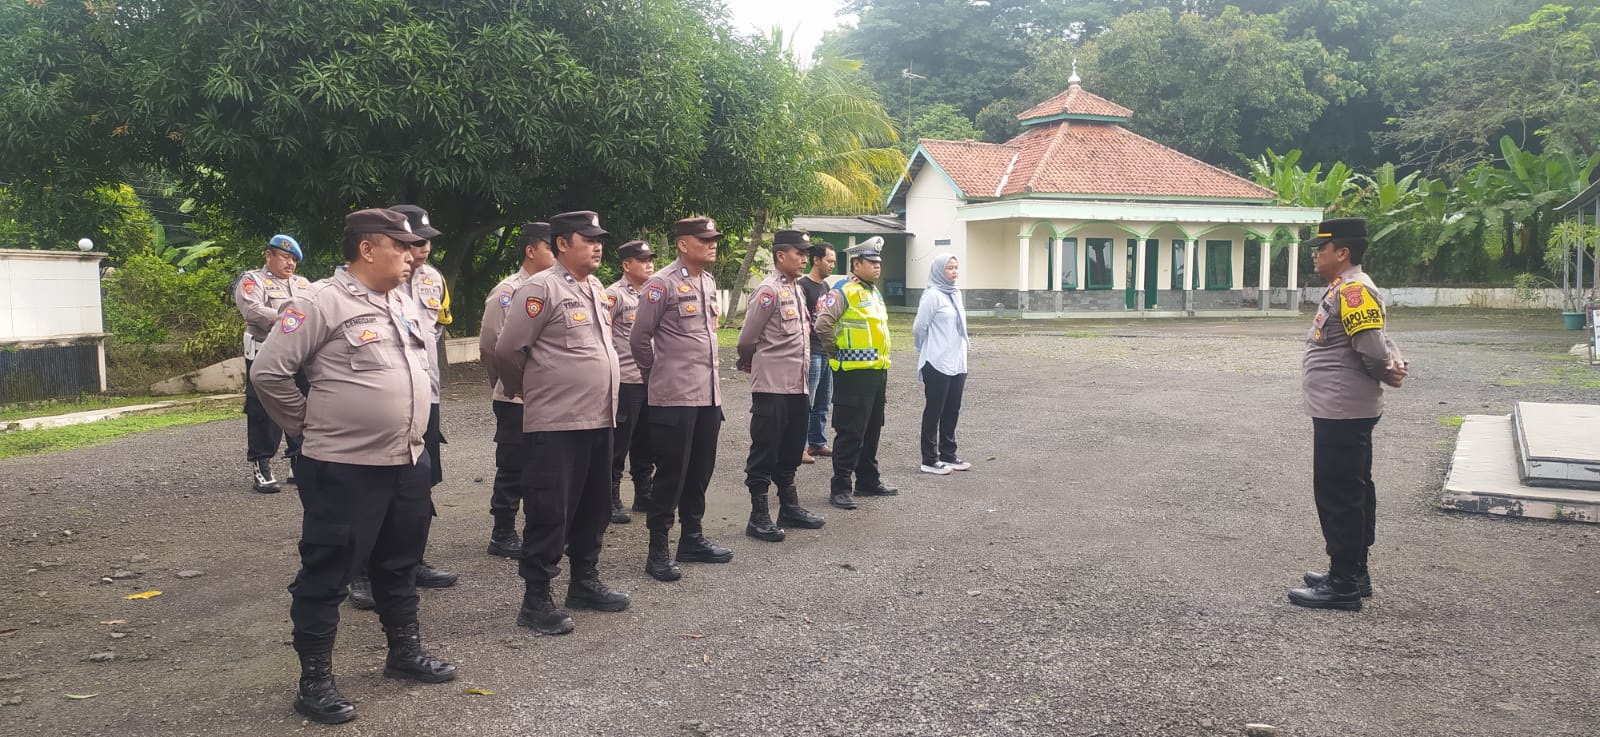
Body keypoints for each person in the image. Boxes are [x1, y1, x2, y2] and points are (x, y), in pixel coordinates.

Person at [250, 208, 455, 725]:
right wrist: (307, 427)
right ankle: (314, 680)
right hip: (344, 466)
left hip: (406, 459)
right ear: (367, 248)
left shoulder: (403, 301)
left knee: (399, 562)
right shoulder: (319, 302)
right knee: (328, 572)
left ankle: (402, 653)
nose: (412, 255)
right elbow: (271, 373)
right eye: (400, 246)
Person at [493, 210, 629, 635]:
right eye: (587, 238)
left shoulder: (595, 288)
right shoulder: (540, 288)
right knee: (549, 510)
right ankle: (536, 600)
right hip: (556, 422)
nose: (597, 244)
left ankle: (584, 582)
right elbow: (507, 351)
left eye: (599, 238)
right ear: (562, 244)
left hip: (598, 418)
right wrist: (527, 393)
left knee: (595, 506)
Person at [1288, 217, 1407, 612]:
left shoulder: (1353, 291)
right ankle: (1354, 572)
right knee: (1353, 487)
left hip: (1342, 409)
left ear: (1342, 253)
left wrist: (1387, 369)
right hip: (1341, 407)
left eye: (1320, 248)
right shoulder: (1346, 288)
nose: (1315, 254)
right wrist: (1390, 361)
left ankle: (1343, 583)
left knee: (1339, 491)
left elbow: (1372, 350)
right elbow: (1377, 338)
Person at [347, 205, 457, 608]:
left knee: (418, 486)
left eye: (424, 241)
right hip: (375, 412)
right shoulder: (356, 288)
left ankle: (411, 560)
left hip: (425, 399)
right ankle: (359, 572)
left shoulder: (432, 280)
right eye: (412, 241)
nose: (421, 249)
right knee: (370, 493)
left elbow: (435, 332)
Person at [631, 217, 732, 581]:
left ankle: (692, 537)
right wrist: (655, 376)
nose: (712, 244)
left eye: (714, 239)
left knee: (700, 470)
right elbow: (639, 338)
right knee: (671, 475)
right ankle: (657, 548)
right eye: (704, 239)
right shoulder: (661, 284)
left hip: (707, 396)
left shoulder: (707, 281)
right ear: (683, 244)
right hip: (673, 397)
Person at [735, 230, 827, 542]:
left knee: (790, 449)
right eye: (798, 253)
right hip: (772, 385)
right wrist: (749, 361)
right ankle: (758, 515)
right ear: (780, 256)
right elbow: (747, 339)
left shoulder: (796, 289)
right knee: (765, 449)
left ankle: (788, 506)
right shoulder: (768, 291)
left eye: (805, 253)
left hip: (796, 386)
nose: (803, 259)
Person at [479, 222, 556, 558]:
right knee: (512, 466)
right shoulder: (508, 291)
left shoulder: (554, 288)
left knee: (543, 465)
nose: (558, 253)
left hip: (548, 397)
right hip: (516, 397)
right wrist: (508, 387)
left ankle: (536, 529)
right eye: (552, 247)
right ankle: (503, 532)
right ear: (531, 250)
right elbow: (490, 345)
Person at [814, 237, 898, 510]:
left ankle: (867, 481)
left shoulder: (874, 293)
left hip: (876, 372)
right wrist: (834, 351)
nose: (877, 267)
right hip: (852, 374)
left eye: (878, 263)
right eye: (871, 262)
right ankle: (840, 487)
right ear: (856, 264)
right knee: (850, 432)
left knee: (872, 430)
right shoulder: (843, 291)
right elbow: (823, 324)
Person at [233, 234, 311, 493]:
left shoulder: (302, 284)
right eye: (285, 257)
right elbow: (252, 311)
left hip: (299, 355)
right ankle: (261, 465)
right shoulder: (253, 280)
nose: (290, 264)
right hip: (265, 353)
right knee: (262, 412)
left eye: (294, 260)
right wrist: (288, 317)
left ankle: (298, 460)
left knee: (302, 405)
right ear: (269, 255)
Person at [605, 240, 658, 524]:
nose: (649, 264)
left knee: (646, 441)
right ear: (627, 265)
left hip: (651, 378)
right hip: (625, 380)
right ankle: (610, 496)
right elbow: (601, 336)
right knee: (619, 443)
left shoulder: (654, 293)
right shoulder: (613, 296)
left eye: (651, 259)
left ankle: (643, 492)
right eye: (643, 260)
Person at [912, 254, 972, 475]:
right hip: (936, 361)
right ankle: (929, 458)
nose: (955, 272)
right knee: (934, 410)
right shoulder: (932, 296)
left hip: (957, 361)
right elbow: (919, 328)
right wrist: (927, 348)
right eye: (949, 268)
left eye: (956, 267)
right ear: (939, 271)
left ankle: (949, 453)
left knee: (952, 409)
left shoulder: (955, 294)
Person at [799, 243, 837, 465]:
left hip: (825, 351)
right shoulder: (803, 286)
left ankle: (817, 441)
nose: (832, 265)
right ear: (816, 260)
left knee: (823, 401)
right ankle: (799, 446)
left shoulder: (826, 287)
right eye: (829, 261)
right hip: (811, 351)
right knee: (807, 401)